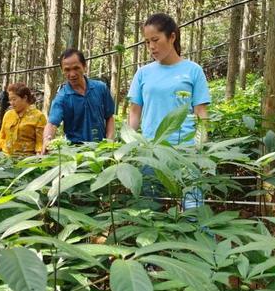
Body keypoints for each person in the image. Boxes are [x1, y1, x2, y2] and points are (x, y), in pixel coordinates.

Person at [127, 13, 211, 211]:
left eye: (155, 40)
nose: (151, 47)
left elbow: (201, 112)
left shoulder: (193, 70)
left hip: (186, 151)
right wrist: (130, 148)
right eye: (147, 42)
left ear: (172, 37)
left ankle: (197, 241)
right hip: (150, 150)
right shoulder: (143, 73)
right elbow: (134, 113)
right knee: (149, 209)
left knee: (193, 208)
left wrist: (202, 147)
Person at [41, 48, 115, 153]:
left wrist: (110, 141)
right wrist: (47, 140)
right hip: (75, 153)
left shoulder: (101, 88)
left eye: (76, 68)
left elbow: (109, 117)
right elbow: (52, 123)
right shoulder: (62, 98)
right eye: (67, 70)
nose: (72, 74)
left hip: (101, 149)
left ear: (84, 66)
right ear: (62, 70)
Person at [0, 83, 47, 156]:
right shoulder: (8, 115)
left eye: (14, 99)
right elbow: (1, 138)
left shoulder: (38, 116)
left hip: (26, 161)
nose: (11, 103)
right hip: (5, 160)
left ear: (25, 98)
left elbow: (40, 145)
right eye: (10, 100)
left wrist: (37, 164)